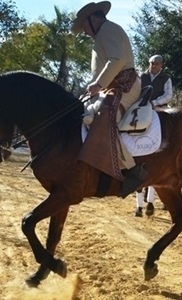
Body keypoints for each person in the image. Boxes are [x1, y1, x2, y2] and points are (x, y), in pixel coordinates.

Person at [71, 1, 145, 197]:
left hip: (125, 85)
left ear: (93, 19)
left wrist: (98, 85)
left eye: (85, 26)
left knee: (106, 117)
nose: (85, 31)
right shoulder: (103, 33)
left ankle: (132, 170)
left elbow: (117, 60)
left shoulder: (107, 30)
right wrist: (95, 86)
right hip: (112, 86)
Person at [134, 54, 174, 216]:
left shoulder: (166, 78)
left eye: (156, 64)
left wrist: (154, 102)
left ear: (161, 65)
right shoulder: (141, 76)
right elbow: (135, 91)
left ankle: (150, 201)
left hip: (158, 108)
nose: (153, 66)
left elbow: (168, 95)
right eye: (151, 63)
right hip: (141, 108)